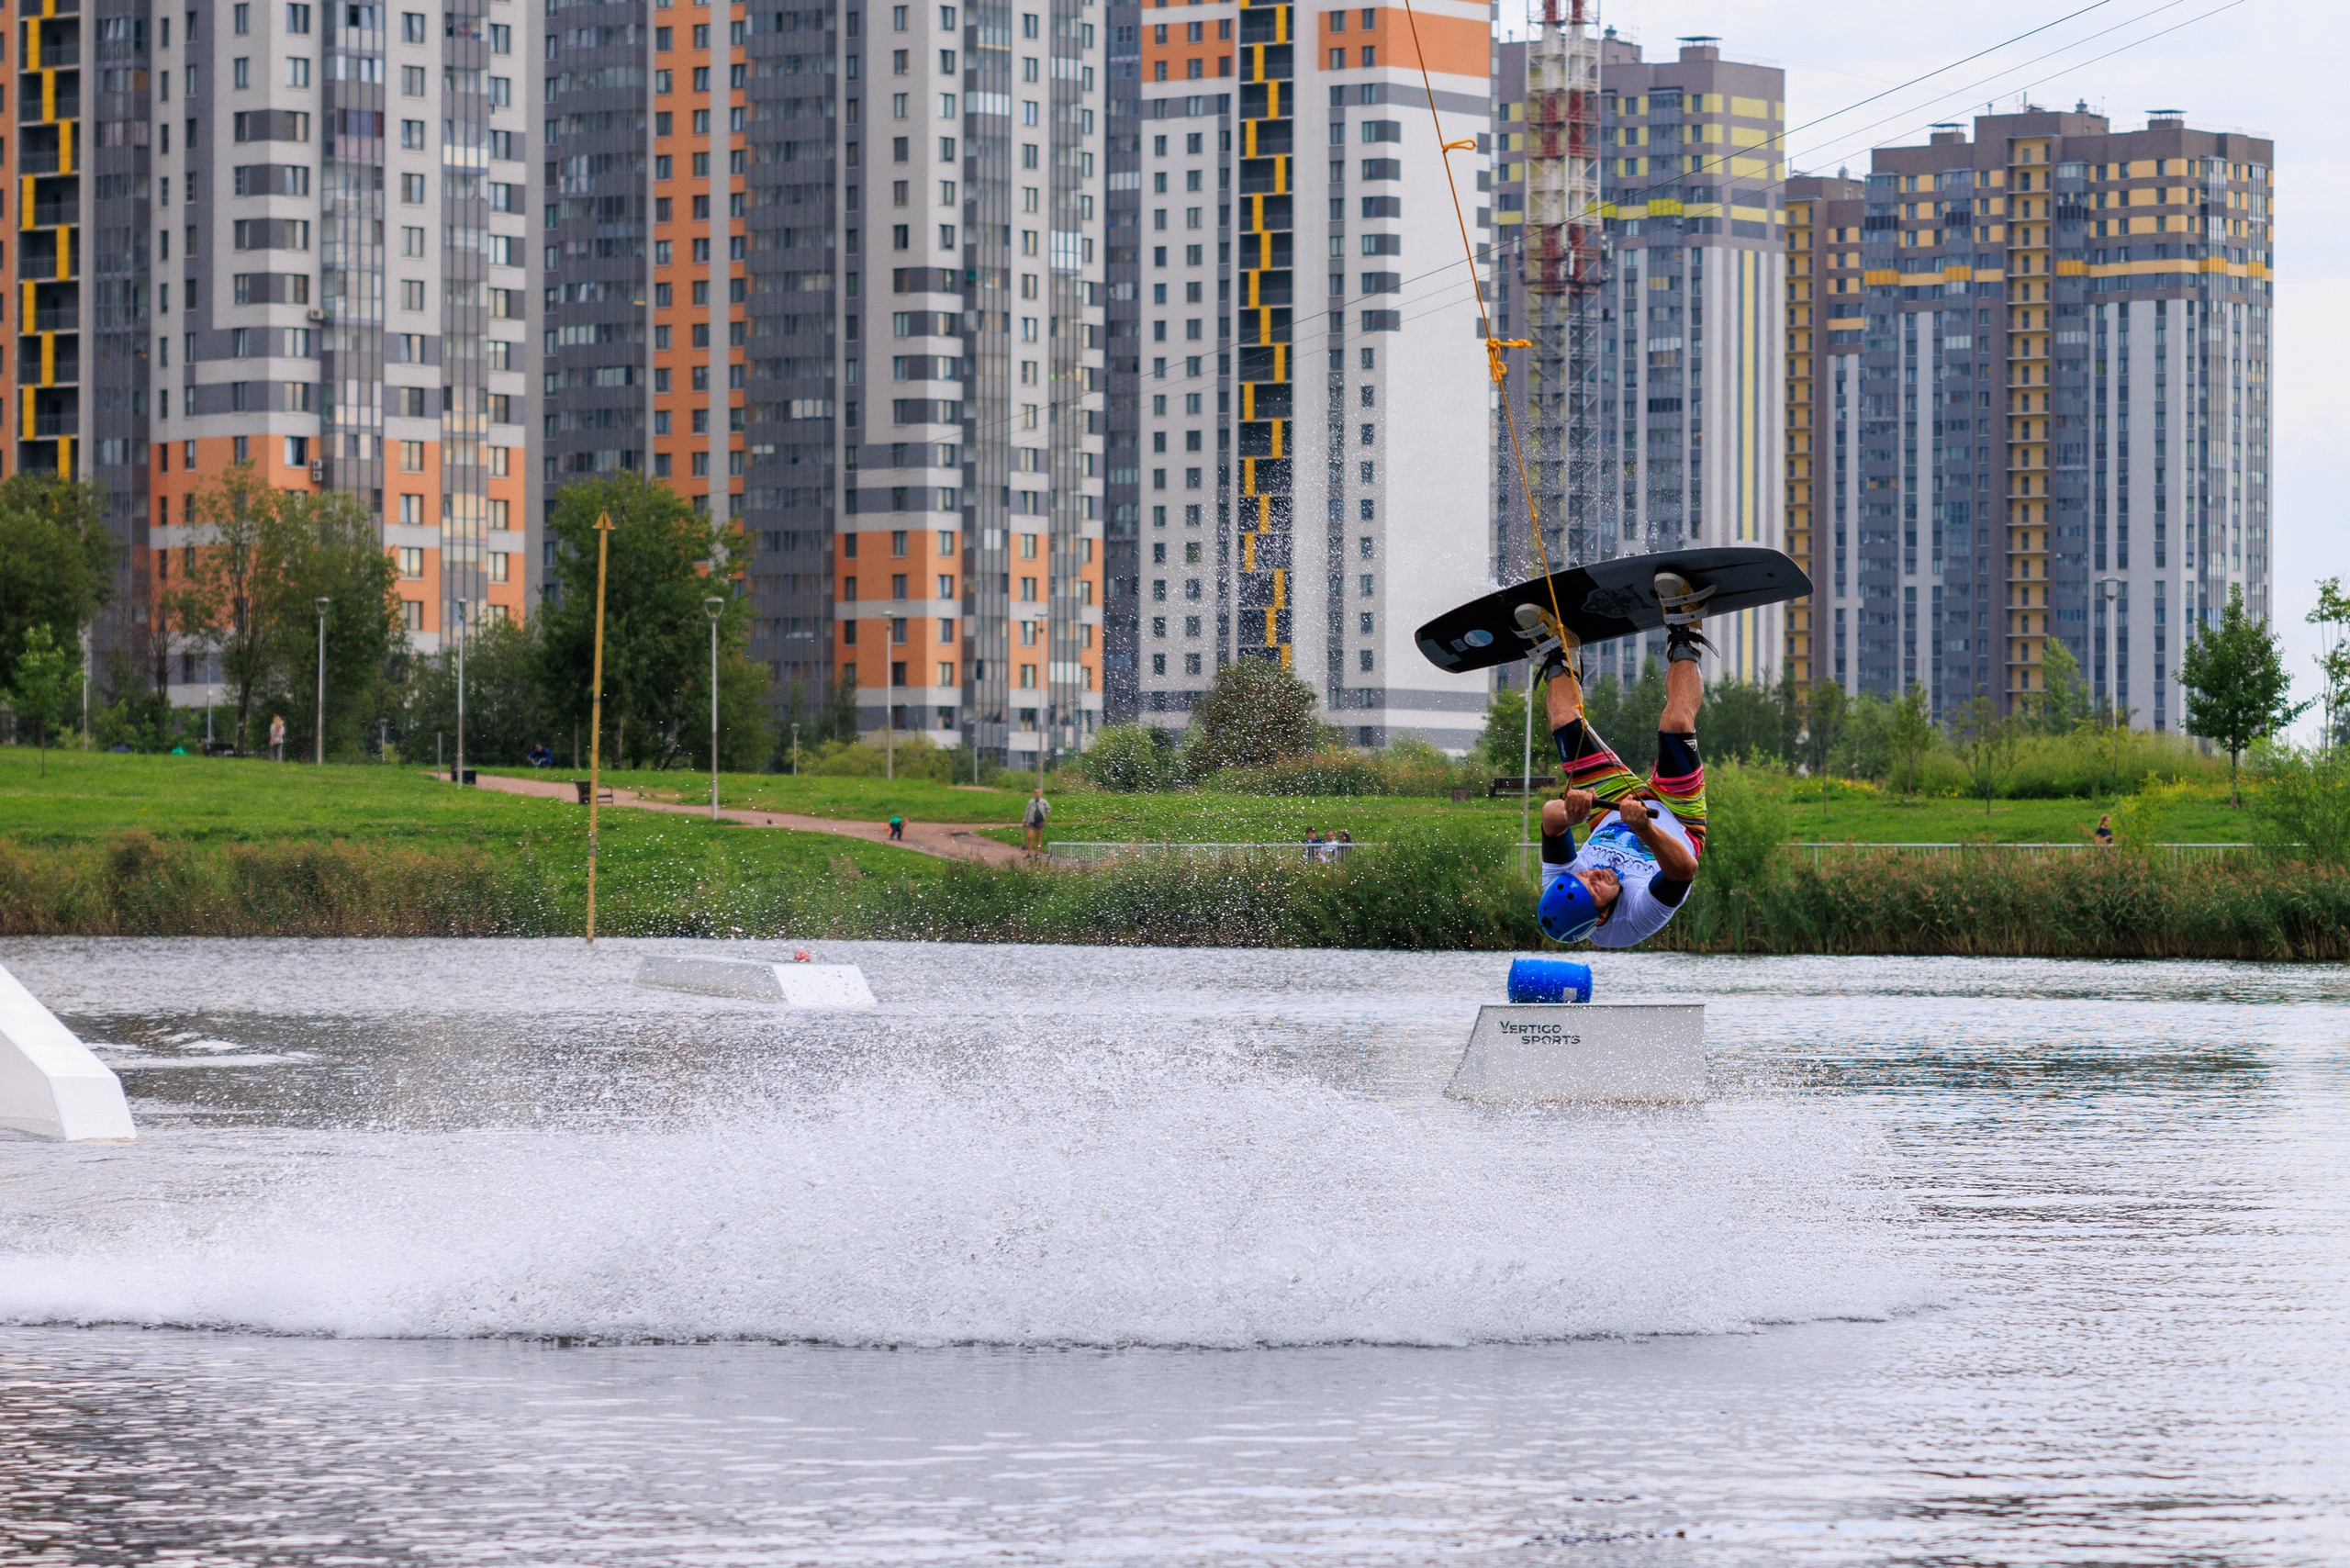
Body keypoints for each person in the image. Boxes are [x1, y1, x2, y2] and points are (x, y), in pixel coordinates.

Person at [1533, 571, 1711, 949]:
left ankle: (1560, 656)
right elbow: (1684, 871)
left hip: (1608, 810)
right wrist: (1644, 828)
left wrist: (1570, 814)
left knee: (1565, 721)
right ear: (1601, 916)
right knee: (1676, 722)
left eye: (1584, 877)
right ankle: (1686, 630)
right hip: (1678, 819)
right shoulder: (1632, 918)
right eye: (1595, 888)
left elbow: (1549, 820)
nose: (1594, 875)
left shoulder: (1560, 887)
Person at [1023, 786, 1050, 854]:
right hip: (1031, 821)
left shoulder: (1043, 802)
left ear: (1041, 793)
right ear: (1034, 794)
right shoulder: (1031, 802)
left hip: (1040, 821)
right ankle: (1029, 852)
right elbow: (1027, 811)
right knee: (1029, 837)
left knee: (1038, 838)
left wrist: (1044, 815)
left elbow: (1048, 809)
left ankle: (1037, 853)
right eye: (1036, 793)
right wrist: (1025, 821)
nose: (1037, 794)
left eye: (1038, 793)